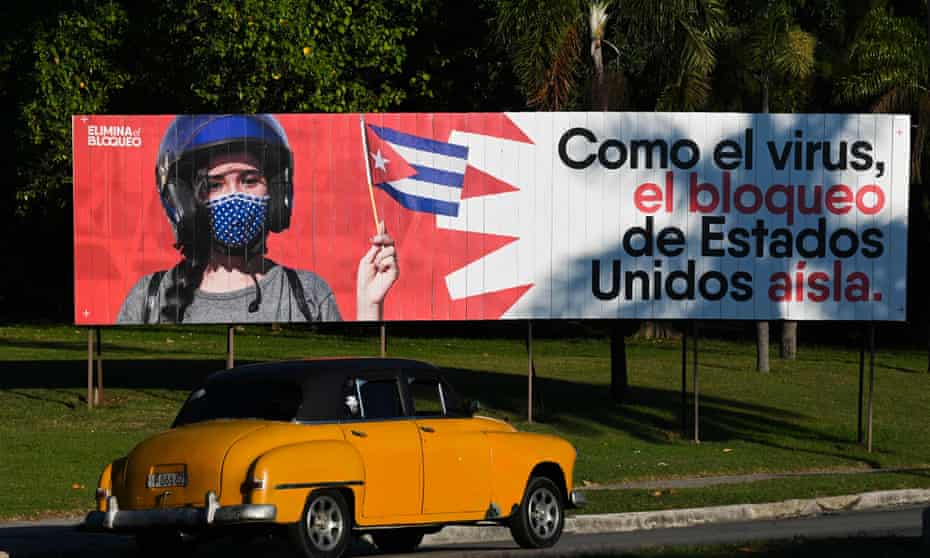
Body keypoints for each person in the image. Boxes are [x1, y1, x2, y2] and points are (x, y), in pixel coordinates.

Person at [117, 114, 397, 323]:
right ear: (185, 200)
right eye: (214, 185)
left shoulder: (306, 293)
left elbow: (344, 371)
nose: (235, 196)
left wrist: (369, 306)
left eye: (250, 180)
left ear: (276, 192)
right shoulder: (148, 298)